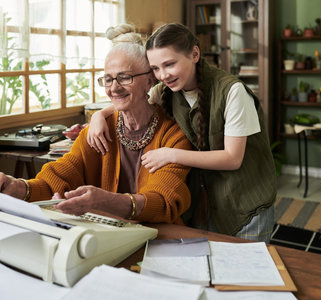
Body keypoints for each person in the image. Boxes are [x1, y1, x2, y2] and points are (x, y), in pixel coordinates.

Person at [0, 24, 193, 224]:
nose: (114, 88)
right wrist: (17, 187)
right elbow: (56, 179)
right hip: (106, 241)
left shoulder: (174, 136)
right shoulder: (98, 131)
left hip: (162, 240)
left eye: (125, 77)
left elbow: (164, 200)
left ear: (149, 81)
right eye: (108, 79)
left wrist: (107, 201)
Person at [87, 23, 277, 242]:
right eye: (156, 68)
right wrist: (98, 116)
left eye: (169, 64)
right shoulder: (165, 90)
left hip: (245, 206)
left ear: (194, 54)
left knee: (246, 275)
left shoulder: (233, 92)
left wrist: (171, 154)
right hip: (204, 206)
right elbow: (131, 99)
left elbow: (232, 158)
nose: (163, 75)